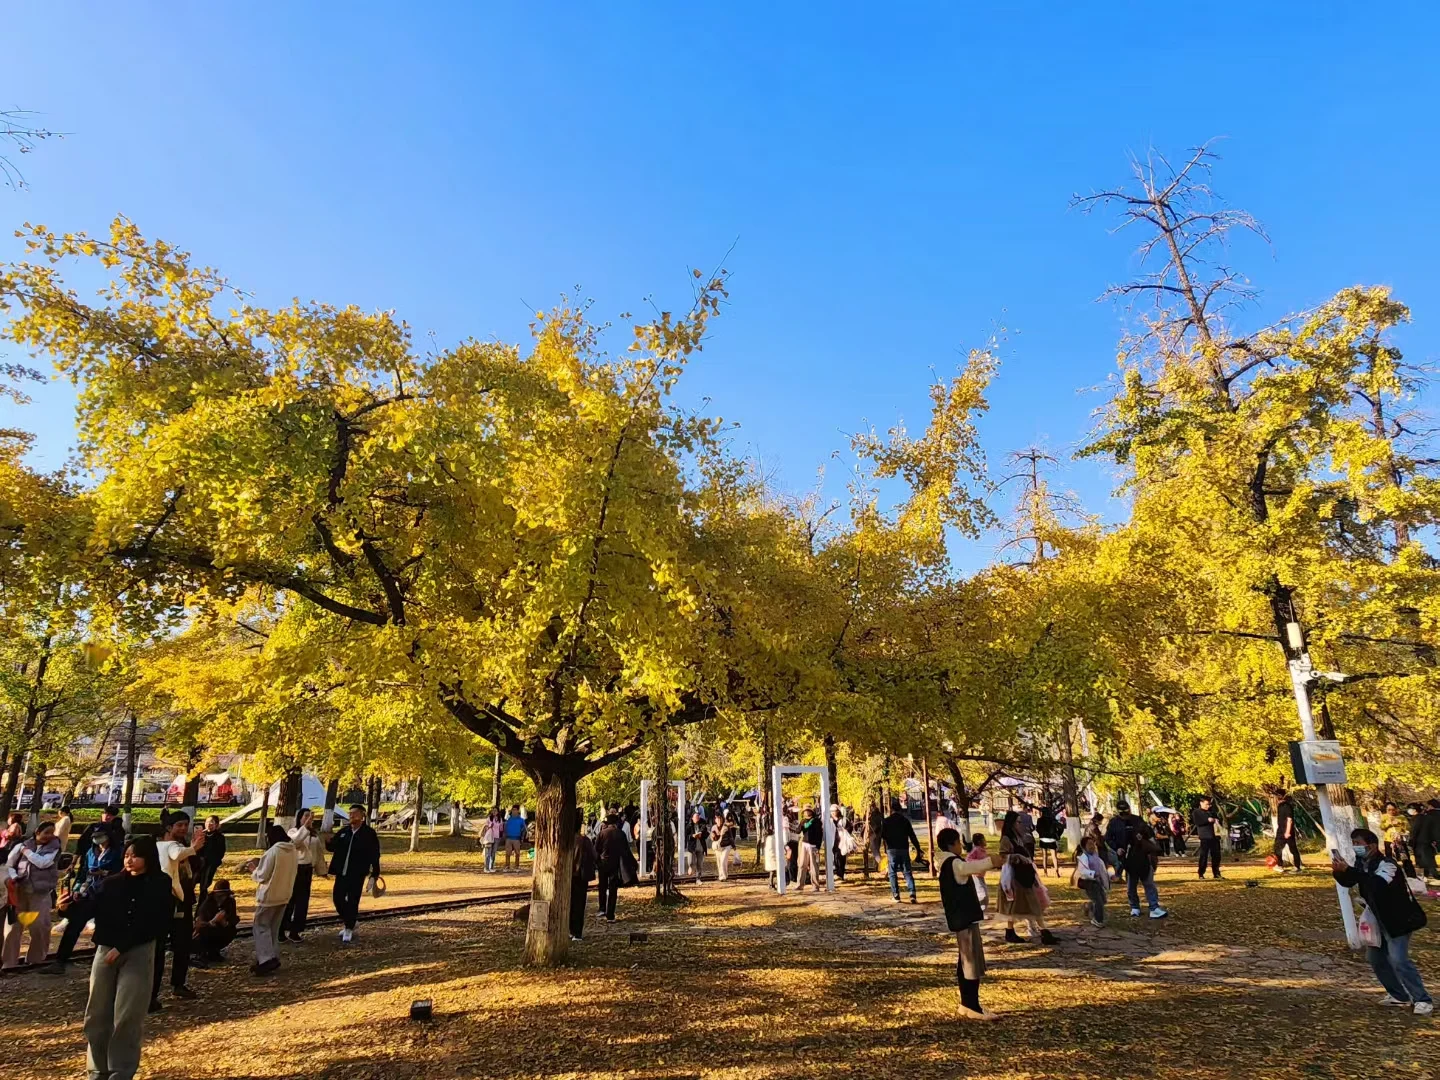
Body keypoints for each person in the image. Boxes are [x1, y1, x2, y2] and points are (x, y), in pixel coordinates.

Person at [84, 836, 173, 1080]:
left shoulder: (159, 883)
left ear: (148, 858)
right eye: (126, 855)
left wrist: (122, 947)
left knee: (127, 1015)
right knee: (97, 1013)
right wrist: (65, 908)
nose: (129, 860)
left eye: (135, 855)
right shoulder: (111, 883)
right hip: (106, 949)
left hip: (138, 951)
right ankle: (97, 1070)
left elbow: (155, 921)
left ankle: (120, 1072)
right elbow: (89, 906)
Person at [1333, 828, 1432, 1015]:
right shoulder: (1361, 863)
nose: (1356, 847)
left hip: (1399, 919)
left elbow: (1377, 884)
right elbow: (1350, 881)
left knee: (1398, 959)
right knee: (1375, 958)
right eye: (1353, 843)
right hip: (1377, 918)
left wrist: (1351, 871)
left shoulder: (1388, 864)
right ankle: (1399, 996)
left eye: (1358, 844)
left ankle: (1422, 999)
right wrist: (1339, 872)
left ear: (1371, 845)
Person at [937, 826, 1005, 1021]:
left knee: (965, 961)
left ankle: (967, 1004)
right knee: (970, 962)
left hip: (963, 919)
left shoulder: (947, 863)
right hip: (964, 919)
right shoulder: (954, 863)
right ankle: (972, 1005)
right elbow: (971, 868)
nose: (961, 846)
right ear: (951, 845)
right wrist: (992, 861)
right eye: (958, 842)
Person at [48, 818, 125, 972]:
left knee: (104, 927)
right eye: (95, 836)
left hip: (109, 895)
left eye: (101, 835)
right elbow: (84, 873)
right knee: (74, 924)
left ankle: (100, 961)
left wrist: (105, 873)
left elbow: (122, 871)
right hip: (89, 893)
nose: (98, 839)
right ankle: (60, 961)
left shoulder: (118, 852)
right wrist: (77, 890)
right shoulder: (91, 851)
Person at [151, 811, 204, 1008]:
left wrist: (194, 849)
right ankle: (152, 994)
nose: (183, 828)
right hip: (167, 900)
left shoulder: (181, 846)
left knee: (182, 945)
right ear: (168, 827)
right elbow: (176, 854)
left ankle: (179, 984)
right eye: (179, 825)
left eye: (185, 825)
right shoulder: (165, 846)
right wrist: (193, 848)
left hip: (184, 900)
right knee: (159, 950)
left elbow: (194, 866)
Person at [2, 820, 62, 968]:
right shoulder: (21, 845)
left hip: (40, 893)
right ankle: (9, 961)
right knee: (13, 926)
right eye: (46, 832)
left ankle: (36, 959)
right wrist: (14, 876)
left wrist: (26, 852)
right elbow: (10, 864)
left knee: (39, 926)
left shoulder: (54, 847)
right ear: (37, 833)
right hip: (19, 891)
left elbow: (43, 863)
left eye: (51, 833)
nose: (49, 836)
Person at [326, 803, 381, 943]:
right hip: (341, 872)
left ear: (362, 816)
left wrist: (375, 873)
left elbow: (374, 853)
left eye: (355, 813)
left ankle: (348, 928)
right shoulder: (344, 831)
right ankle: (350, 921)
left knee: (352, 900)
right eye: (350, 813)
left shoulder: (368, 834)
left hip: (357, 873)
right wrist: (328, 842)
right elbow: (333, 847)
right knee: (337, 898)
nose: (351, 815)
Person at [998, 811, 1056, 944]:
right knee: (1015, 906)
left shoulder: (1018, 836)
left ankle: (1042, 931)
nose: (1020, 824)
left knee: (1030, 904)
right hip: (1015, 877)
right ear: (1012, 823)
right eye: (1018, 822)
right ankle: (1014, 932)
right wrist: (1017, 857)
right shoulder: (1007, 838)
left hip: (1024, 875)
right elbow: (1003, 856)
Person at [247, 824, 297, 975]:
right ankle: (272, 955)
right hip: (284, 894)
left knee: (261, 926)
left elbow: (262, 875)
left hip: (269, 895)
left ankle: (266, 959)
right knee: (274, 928)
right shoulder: (292, 850)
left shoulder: (273, 851)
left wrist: (253, 870)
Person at [283, 808, 323, 942]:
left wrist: (321, 870)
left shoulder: (314, 835)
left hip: (307, 871)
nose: (309, 819)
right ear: (299, 818)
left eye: (311, 816)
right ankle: (281, 929)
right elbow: (296, 842)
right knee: (290, 900)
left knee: (303, 902)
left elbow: (318, 853)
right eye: (306, 816)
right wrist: (305, 827)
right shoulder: (293, 832)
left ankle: (296, 930)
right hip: (296, 869)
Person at [1123, 821, 1168, 919]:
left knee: (1148, 884)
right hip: (1132, 862)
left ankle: (1153, 907)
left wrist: (1153, 862)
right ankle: (1135, 907)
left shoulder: (1146, 831)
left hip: (1145, 862)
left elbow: (1153, 847)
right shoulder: (1126, 832)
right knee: (1132, 885)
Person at [882, 802, 923, 904]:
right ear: (900, 810)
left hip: (892, 849)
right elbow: (912, 836)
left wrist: (885, 847)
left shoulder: (886, 821)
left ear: (891, 809)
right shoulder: (905, 821)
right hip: (904, 848)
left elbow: (883, 835)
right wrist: (918, 848)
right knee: (907, 871)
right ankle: (912, 893)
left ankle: (896, 895)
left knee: (892, 872)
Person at [190, 878, 238, 964]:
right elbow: (199, 923)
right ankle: (202, 953)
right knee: (204, 932)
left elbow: (233, 919)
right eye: (219, 896)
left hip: (220, 929)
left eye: (224, 895)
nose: (222, 898)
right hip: (205, 931)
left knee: (231, 931)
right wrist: (213, 921)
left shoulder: (230, 902)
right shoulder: (207, 903)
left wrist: (224, 922)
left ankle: (214, 952)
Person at [570, 809, 597, 941]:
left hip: (569, 875)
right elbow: (594, 856)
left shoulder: (566, 841)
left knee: (569, 903)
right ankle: (577, 932)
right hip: (581, 875)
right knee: (579, 904)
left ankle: (570, 929)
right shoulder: (585, 841)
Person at [1073, 834, 1111, 927]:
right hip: (1088, 882)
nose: (1092, 846)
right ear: (1084, 847)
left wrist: (1110, 877)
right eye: (1089, 844)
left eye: (1092, 844)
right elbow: (1082, 871)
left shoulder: (1097, 857)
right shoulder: (1083, 858)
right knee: (1098, 901)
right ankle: (1097, 920)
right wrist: (1092, 874)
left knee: (1103, 900)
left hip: (1097, 882)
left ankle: (1088, 906)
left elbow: (1102, 870)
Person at [196, 814, 226, 905]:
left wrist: (213, 862)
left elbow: (221, 852)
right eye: (207, 822)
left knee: (204, 886)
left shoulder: (219, 837)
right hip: (199, 864)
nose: (209, 824)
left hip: (210, 865)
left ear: (216, 825)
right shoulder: (202, 835)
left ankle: (202, 906)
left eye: (212, 822)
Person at [1191, 796, 1223, 880]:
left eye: (1209, 804)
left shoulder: (1212, 812)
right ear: (1201, 803)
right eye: (1206, 804)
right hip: (1205, 836)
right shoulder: (1196, 812)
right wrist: (1207, 820)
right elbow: (1197, 822)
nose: (1208, 806)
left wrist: (1216, 820)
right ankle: (1201, 873)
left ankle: (1216, 873)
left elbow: (1218, 820)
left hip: (1215, 836)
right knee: (1204, 856)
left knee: (1216, 856)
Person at [1411, 800, 1440, 882]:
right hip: (1432, 840)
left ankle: (1430, 874)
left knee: (1423, 858)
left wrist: (1412, 840)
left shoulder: (1425, 816)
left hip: (1423, 839)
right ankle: (1428, 874)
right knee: (1429, 857)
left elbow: (1416, 829)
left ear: (1431, 806)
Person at [1273, 794, 1302, 872]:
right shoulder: (1280, 806)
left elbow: (1290, 820)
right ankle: (1280, 865)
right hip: (1281, 830)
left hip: (1287, 831)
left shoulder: (1287, 806)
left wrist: (1287, 832)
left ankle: (1297, 866)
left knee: (1292, 849)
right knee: (1277, 848)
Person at [796, 807, 823, 891]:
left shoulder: (816, 821)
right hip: (804, 844)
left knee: (814, 866)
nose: (806, 812)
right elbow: (798, 831)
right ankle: (800, 885)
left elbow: (819, 834)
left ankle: (815, 885)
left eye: (808, 811)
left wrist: (818, 846)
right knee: (801, 865)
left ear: (811, 812)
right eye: (805, 811)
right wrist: (802, 825)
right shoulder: (803, 821)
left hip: (813, 846)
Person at [967, 833, 991, 911]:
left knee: (985, 894)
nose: (985, 841)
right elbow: (968, 859)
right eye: (983, 839)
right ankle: (978, 910)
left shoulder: (983, 850)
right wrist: (979, 863)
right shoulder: (976, 850)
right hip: (976, 875)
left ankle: (982, 912)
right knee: (982, 894)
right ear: (979, 841)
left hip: (981, 875)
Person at [1035, 806, 1061, 877]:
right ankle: (1057, 871)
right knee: (1054, 856)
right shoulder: (1052, 820)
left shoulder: (1040, 820)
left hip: (1043, 839)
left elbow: (1037, 828)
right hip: (1052, 839)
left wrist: (1041, 834)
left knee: (1044, 856)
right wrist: (1058, 835)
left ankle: (1045, 872)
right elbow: (1060, 827)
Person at [830, 805, 853, 884]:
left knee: (841, 858)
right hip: (834, 842)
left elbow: (850, 828)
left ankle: (840, 874)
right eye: (831, 811)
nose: (833, 813)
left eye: (834, 811)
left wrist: (844, 832)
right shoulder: (830, 820)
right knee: (835, 858)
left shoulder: (843, 820)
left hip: (842, 842)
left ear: (838, 811)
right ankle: (837, 873)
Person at [685, 811, 709, 883]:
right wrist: (692, 836)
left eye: (698, 817)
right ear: (692, 818)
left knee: (700, 863)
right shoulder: (689, 825)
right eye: (695, 817)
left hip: (700, 846)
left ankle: (698, 878)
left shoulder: (702, 823)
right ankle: (690, 867)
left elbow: (706, 833)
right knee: (690, 861)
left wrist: (701, 834)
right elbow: (686, 835)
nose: (697, 818)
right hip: (692, 846)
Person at [502, 805, 527, 872]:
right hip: (508, 838)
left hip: (517, 838)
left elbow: (524, 829)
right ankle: (507, 866)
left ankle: (517, 866)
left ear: (518, 811)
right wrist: (504, 835)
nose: (514, 811)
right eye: (513, 810)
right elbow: (504, 827)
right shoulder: (508, 819)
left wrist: (522, 838)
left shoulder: (521, 820)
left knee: (517, 853)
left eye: (515, 810)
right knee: (508, 853)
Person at [481, 808, 502, 872]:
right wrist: (490, 826)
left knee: (493, 853)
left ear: (498, 812)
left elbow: (501, 828)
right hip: (489, 837)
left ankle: (491, 867)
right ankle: (486, 867)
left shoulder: (499, 819)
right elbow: (485, 827)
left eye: (495, 811)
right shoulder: (489, 818)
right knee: (488, 853)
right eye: (493, 811)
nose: (494, 812)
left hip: (496, 837)